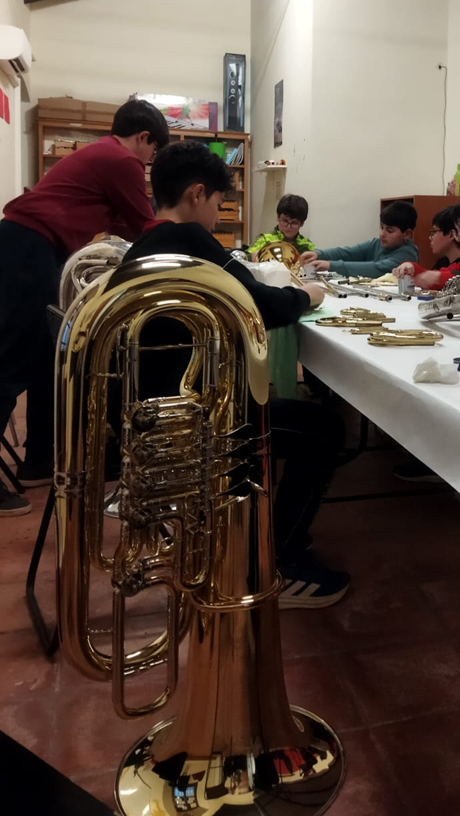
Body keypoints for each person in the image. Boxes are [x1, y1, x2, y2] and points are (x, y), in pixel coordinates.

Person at [118, 141, 350, 608]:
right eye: (219, 203)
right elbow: (261, 306)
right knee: (326, 429)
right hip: (193, 418)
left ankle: (271, 536)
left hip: (150, 410)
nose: (217, 216)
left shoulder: (144, 245)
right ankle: (278, 562)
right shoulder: (188, 240)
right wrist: (309, 295)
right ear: (196, 193)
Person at [0, 98, 170, 516]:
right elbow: (144, 226)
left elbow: (125, 224)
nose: (149, 162)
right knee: (12, 362)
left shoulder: (102, 156)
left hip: (28, 246)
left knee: (46, 359)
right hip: (29, 247)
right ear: (143, 137)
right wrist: (185, 239)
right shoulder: (122, 160)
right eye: (153, 152)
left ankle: (40, 459)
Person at [300, 200, 419, 279]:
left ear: (407, 234)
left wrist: (330, 265)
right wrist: (318, 254)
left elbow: (376, 269)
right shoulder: (376, 243)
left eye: (390, 230)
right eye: (381, 227)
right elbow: (348, 252)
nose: (382, 234)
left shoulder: (407, 254)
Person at [248, 193, 316, 260]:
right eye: (285, 221)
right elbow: (245, 258)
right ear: (278, 218)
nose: (289, 226)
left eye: (294, 223)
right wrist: (252, 257)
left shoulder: (307, 245)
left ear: (302, 223)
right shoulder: (264, 239)